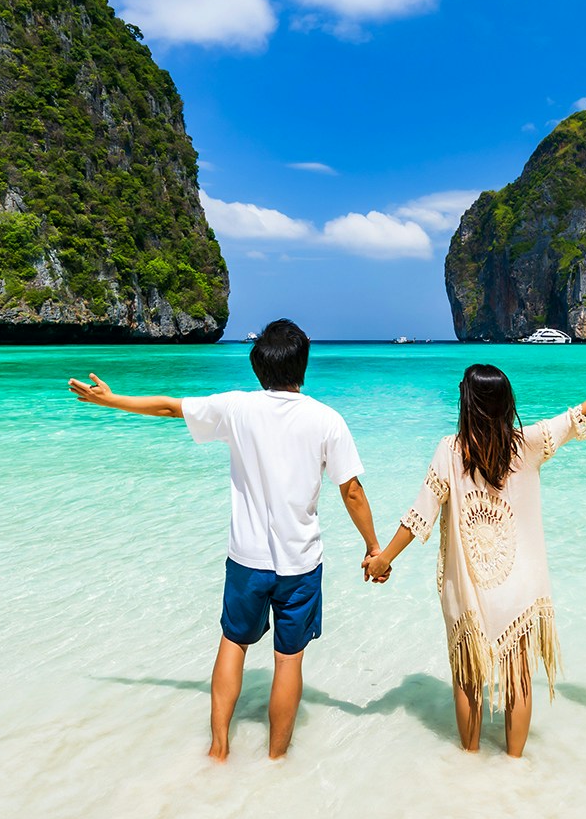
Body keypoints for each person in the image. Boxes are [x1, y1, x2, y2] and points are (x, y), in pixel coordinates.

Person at [69, 318, 385, 761]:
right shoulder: (327, 420)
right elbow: (350, 490)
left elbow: (169, 408)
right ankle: (277, 760)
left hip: (246, 561)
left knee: (233, 644)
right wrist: (374, 549)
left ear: (259, 369)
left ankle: (219, 749)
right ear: (304, 364)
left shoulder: (237, 408)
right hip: (299, 564)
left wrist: (111, 400)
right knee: (288, 661)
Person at [364, 364, 586, 758]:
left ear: (468, 403)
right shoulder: (527, 444)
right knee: (518, 677)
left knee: (467, 678)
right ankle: (515, 768)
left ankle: (469, 763)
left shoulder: (449, 450)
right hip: (520, 588)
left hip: (469, 589)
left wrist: (382, 560)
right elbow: (583, 412)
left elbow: (418, 516)